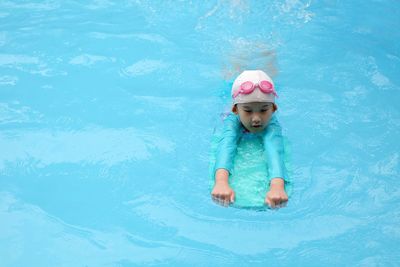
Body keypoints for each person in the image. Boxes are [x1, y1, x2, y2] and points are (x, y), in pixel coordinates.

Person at [211, 70, 288, 209]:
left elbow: (275, 149)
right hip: (230, 89)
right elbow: (226, 146)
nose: (256, 118)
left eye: (264, 110)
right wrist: (221, 181)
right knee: (231, 72)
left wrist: (277, 185)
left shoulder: (272, 124)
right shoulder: (232, 121)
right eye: (247, 111)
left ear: (274, 108)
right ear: (235, 110)